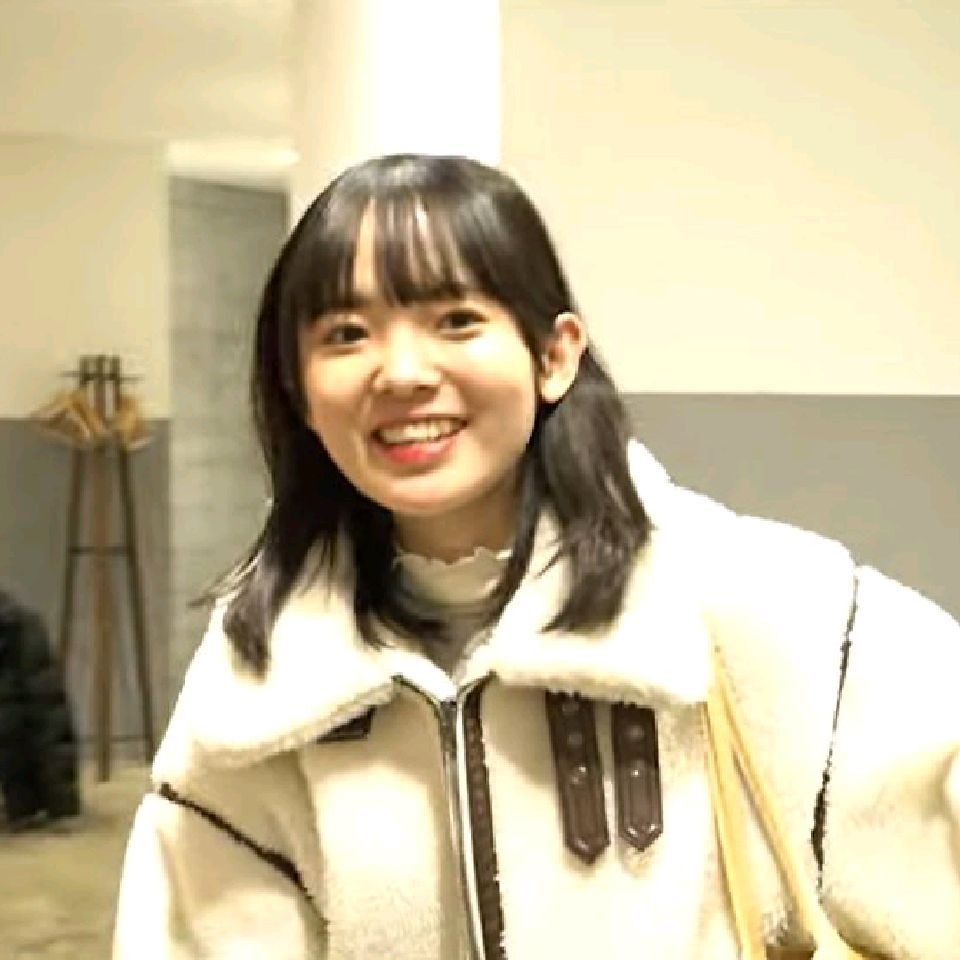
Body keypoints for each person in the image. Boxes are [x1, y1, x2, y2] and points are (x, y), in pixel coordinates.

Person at [113, 154, 960, 960]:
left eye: (455, 320)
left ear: (555, 355)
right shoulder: (264, 681)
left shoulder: (759, 603)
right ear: (298, 387)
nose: (401, 372)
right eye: (346, 333)